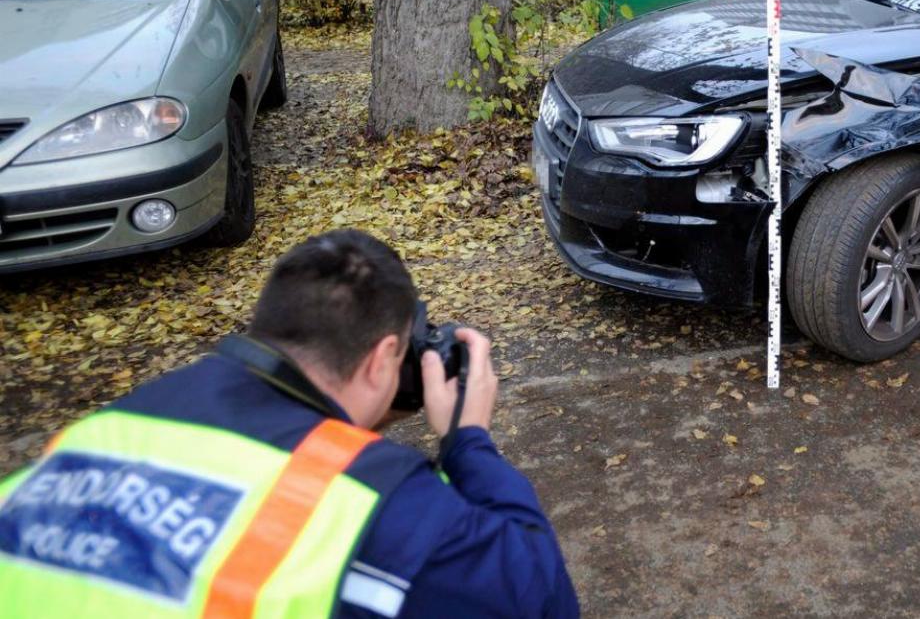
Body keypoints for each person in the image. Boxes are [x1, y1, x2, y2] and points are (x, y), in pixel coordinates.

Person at [0, 230, 579, 618]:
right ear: (382, 360)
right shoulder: (370, 502)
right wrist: (468, 440)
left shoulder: (103, 429)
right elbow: (539, 594)